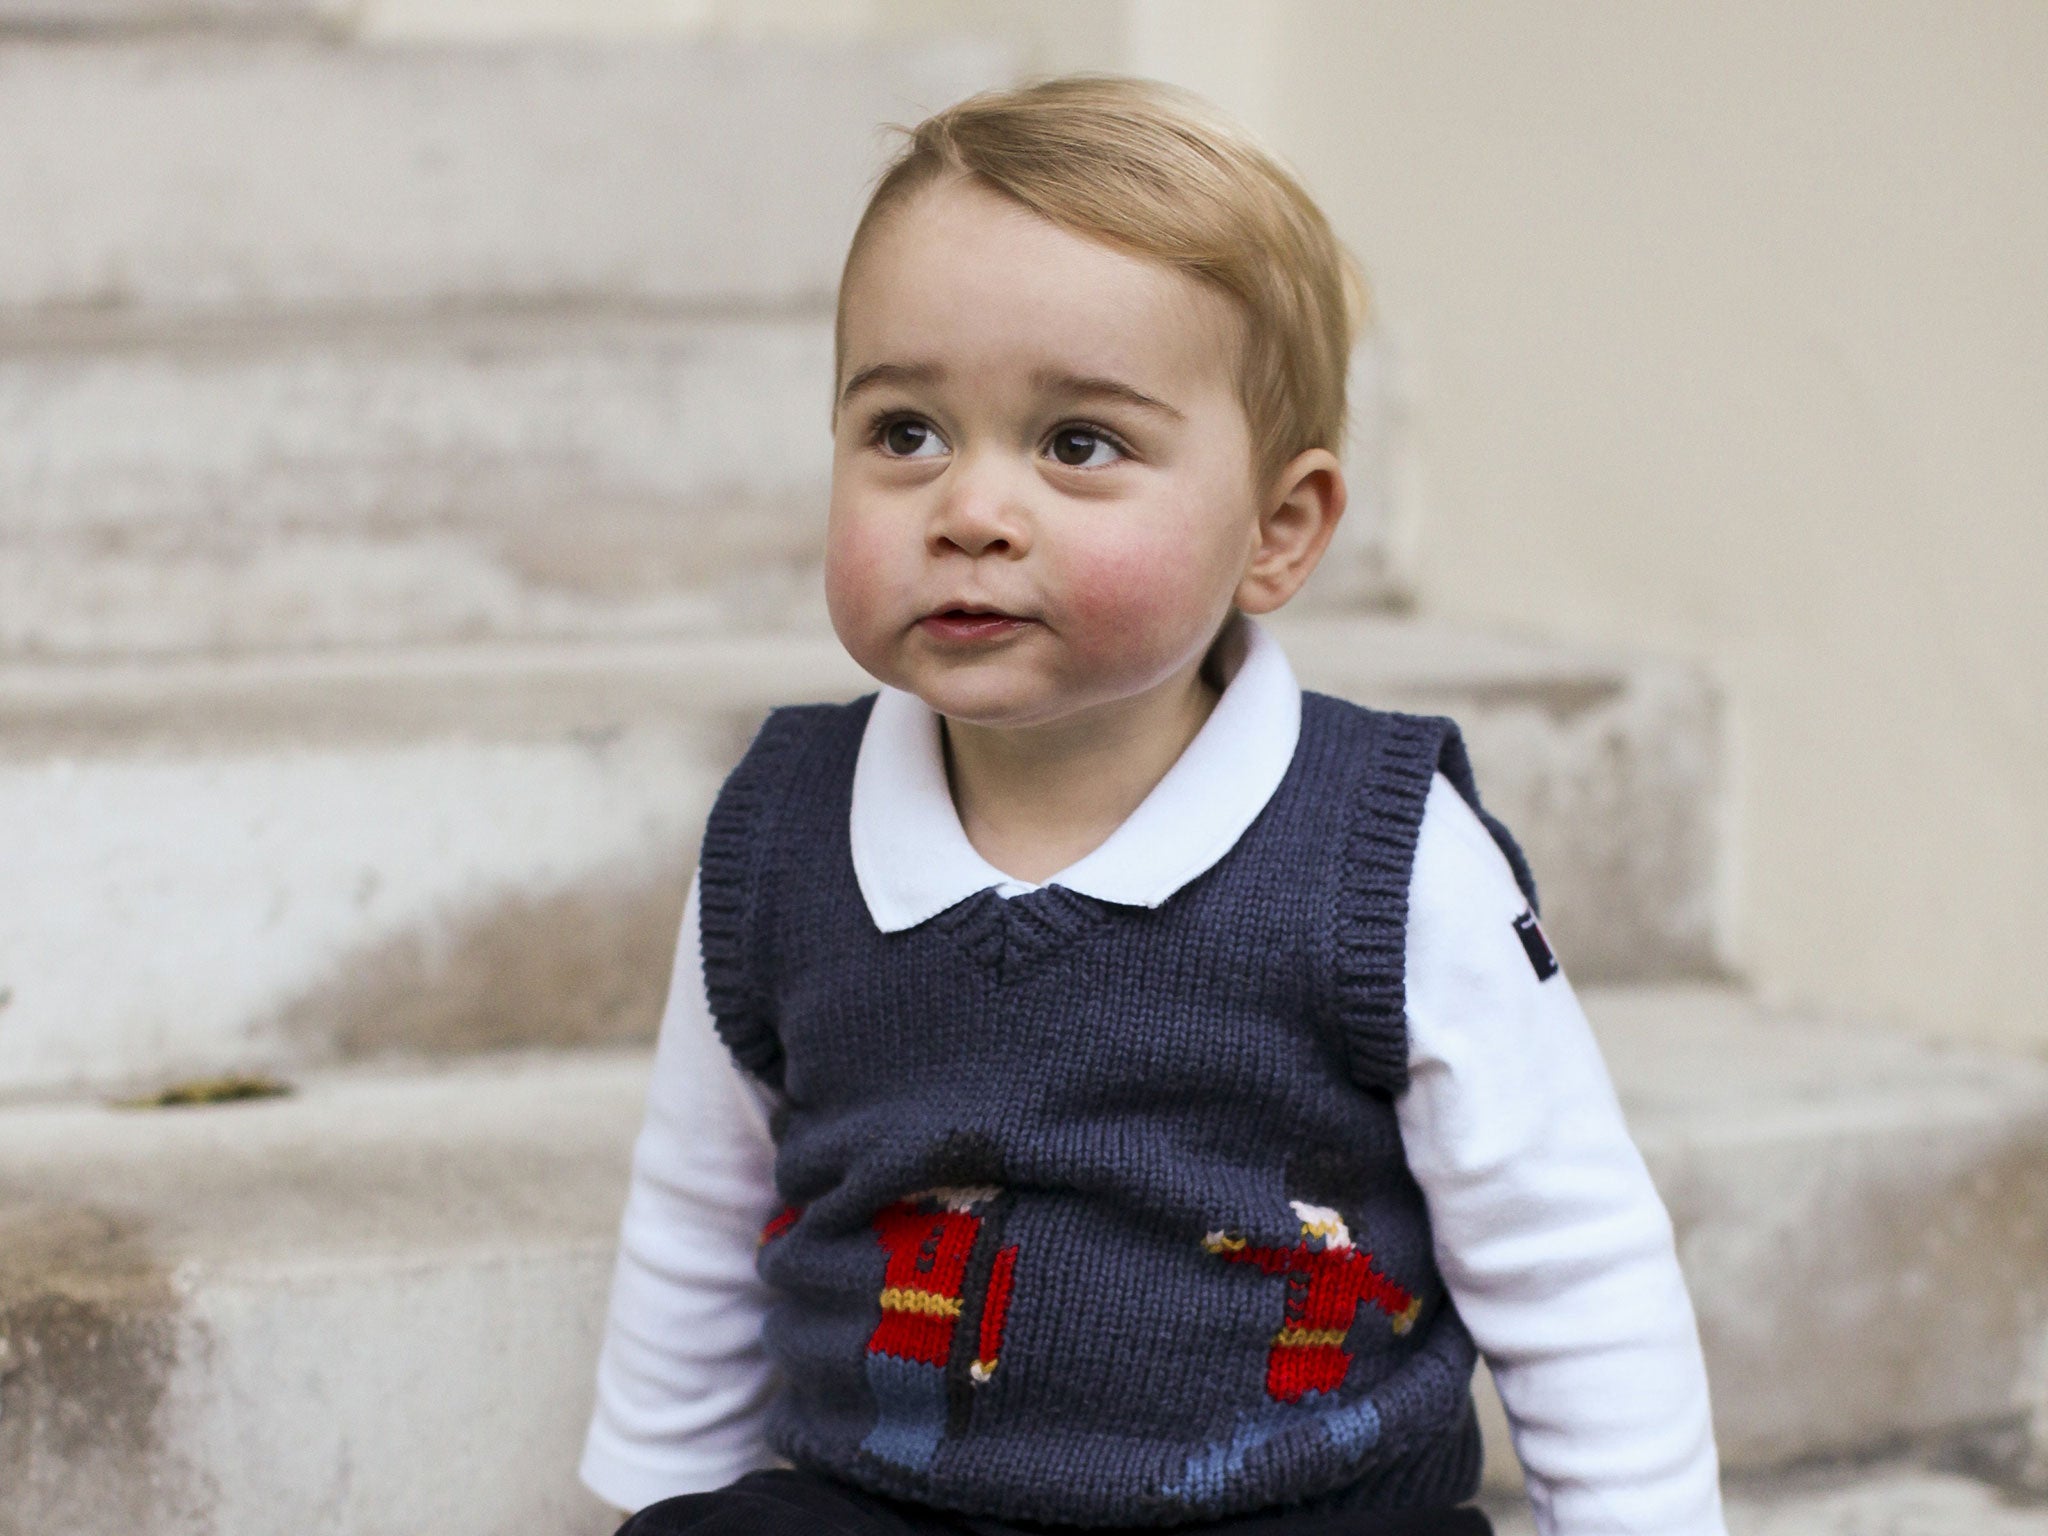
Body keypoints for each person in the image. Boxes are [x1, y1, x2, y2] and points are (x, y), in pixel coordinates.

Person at [578, 76, 1726, 1536]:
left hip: (1289, 1507)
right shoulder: (782, 833)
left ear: (1279, 530)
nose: (971, 507)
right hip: (897, 1502)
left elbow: (1569, 1246)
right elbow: (700, 1195)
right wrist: (655, 1495)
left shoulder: (1376, 852)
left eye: (1078, 445)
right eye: (907, 431)